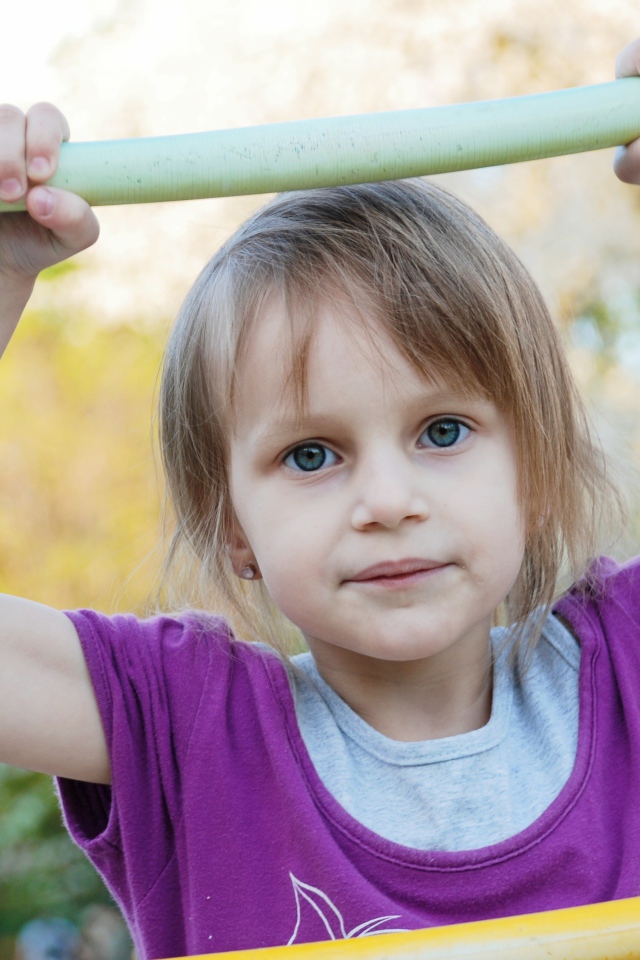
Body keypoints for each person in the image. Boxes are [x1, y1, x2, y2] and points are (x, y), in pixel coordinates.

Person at [2, 38, 640, 960]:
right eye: (311, 454)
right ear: (233, 529)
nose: (386, 500)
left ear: (535, 470)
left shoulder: (623, 669)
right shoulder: (188, 726)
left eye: (444, 432)